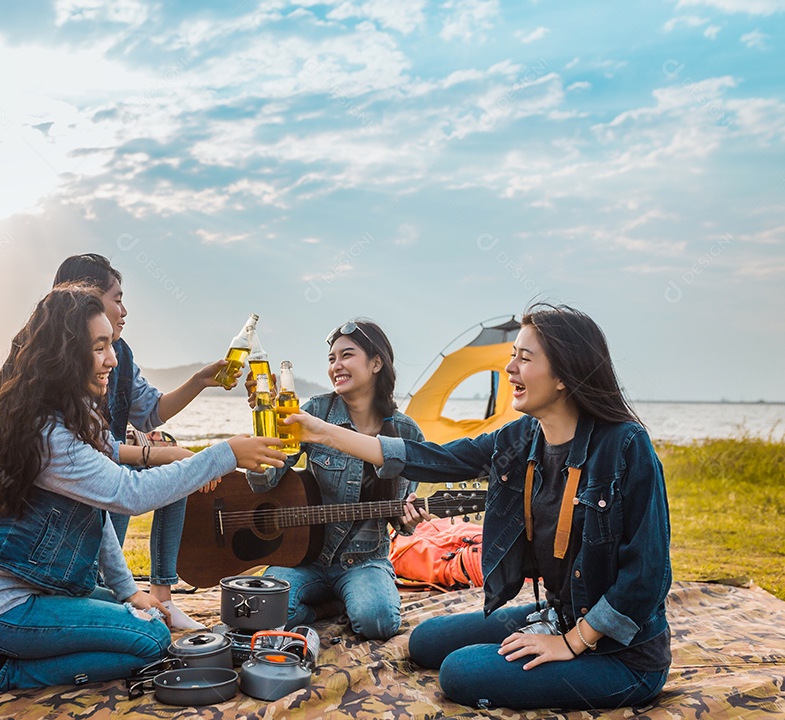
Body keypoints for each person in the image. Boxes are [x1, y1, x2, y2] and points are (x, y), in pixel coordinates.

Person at [286, 304, 671, 710]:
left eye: (525, 358)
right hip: (562, 615)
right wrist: (322, 432)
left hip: (622, 654)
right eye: (512, 357)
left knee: (460, 672)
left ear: (563, 375)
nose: (510, 370)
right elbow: (430, 458)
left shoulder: (625, 446)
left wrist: (571, 643)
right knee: (425, 641)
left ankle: (580, 654)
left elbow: (647, 577)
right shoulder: (521, 439)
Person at [0, 285, 285, 692]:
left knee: (148, 617)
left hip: (10, 596)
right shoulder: (48, 435)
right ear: (65, 357)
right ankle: (0, 672)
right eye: (99, 347)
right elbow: (130, 494)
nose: (112, 358)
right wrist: (225, 454)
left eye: (112, 344)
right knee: (152, 640)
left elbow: (96, 512)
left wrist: (127, 592)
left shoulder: (71, 416)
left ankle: (12, 653)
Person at [53, 254, 236, 630]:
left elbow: (150, 410)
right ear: (86, 299)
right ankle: (103, 591)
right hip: (73, 490)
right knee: (155, 469)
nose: (124, 310)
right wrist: (161, 453)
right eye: (117, 298)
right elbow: (85, 451)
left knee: (167, 467)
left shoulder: (118, 354)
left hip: (105, 467)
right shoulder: (52, 365)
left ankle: (162, 597)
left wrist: (200, 380)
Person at [246, 319, 428, 641]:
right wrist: (266, 429)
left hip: (364, 560)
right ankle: (325, 609)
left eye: (347, 355)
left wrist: (409, 519)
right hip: (304, 558)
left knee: (378, 622)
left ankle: (348, 597)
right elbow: (266, 479)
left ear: (376, 363)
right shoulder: (315, 411)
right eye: (332, 359)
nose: (336, 365)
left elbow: (402, 519)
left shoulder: (407, 432)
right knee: (258, 609)